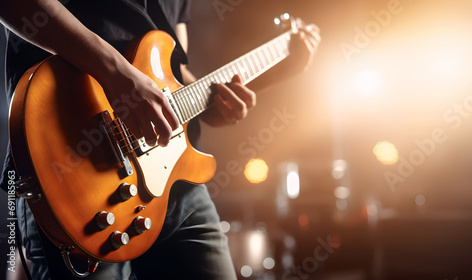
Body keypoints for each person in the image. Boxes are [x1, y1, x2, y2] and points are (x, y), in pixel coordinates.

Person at [0, 0, 320, 279]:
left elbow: (175, 79)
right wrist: (117, 74)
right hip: (76, 163)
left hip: (176, 184)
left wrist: (274, 74)